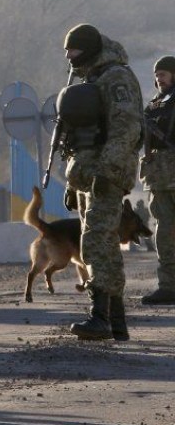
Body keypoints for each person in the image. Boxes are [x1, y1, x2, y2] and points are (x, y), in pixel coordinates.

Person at [58, 24, 143, 341]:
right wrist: (73, 182)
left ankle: (100, 317)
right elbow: (79, 139)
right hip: (88, 173)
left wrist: (107, 171)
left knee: (95, 241)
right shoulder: (91, 79)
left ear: (89, 49)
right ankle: (116, 322)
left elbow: (126, 129)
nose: (69, 56)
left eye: (74, 50)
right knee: (104, 244)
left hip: (107, 174)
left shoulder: (115, 78)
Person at [140, 55, 175, 305]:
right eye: (157, 75)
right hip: (160, 178)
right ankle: (169, 286)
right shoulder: (153, 106)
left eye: (163, 74)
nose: (158, 79)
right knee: (164, 232)